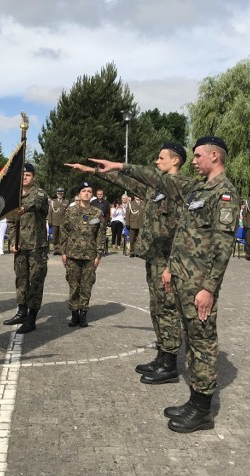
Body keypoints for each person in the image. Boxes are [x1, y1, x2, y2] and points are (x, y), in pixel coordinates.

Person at [90, 136, 240, 433]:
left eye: (198, 156)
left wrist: (209, 288)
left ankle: (202, 410)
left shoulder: (224, 193)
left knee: (201, 341)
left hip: (199, 282)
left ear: (214, 156)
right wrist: (120, 166)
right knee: (191, 338)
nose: (194, 161)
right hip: (182, 275)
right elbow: (159, 185)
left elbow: (223, 247)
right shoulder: (196, 188)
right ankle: (195, 401)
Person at [67, 142, 189, 384]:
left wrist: (172, 266)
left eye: (161, 157)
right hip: (154, 258)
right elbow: (124, 182)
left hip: (167, 262)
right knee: (157, 309)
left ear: (175, 161)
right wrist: (91, 171)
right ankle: (162, 356)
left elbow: (183, 233)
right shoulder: (156, 190)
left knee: (168, 309)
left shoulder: (179, 189)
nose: (156, 161)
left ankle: (170, 364)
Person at [4, 163, 49, 334]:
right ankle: (22, 311)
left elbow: (34, 203)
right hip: (21, 247)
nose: (25, 177)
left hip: (37, 247)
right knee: (21, 280)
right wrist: (13, 241)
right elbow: (10, 221)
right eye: (22, 175)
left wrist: (21, 208)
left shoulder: (39, 193)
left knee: (36, 282)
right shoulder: (14, 196)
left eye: (28, 175)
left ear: (34, 177)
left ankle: (31, 318)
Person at [60, 181, 106, 327]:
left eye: (89, 191)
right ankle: (74, 314)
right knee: (74, 286)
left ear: (92, 194)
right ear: (79, 194)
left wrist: (98, 255)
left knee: (86, 286)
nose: (86, 193)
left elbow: (101, 234)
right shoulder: (70, 211)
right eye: (84, 190)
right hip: (72, 255)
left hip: (89, 256)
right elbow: (64, 231)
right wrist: (63, 252)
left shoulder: (97, 213)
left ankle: (83, 314)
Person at [47, 187, 69, 255]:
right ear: (57, 194)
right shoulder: (53, 202)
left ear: (63, 194)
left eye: (61, 193)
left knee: (62, 237)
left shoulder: (66, 201)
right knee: (55, 237)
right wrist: (49, 221)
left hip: (62, 222)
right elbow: (50, 212)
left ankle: (61, 250)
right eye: (59, 193)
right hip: (54, 222)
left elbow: (67, 213)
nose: (60, 194)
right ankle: (56, 249)